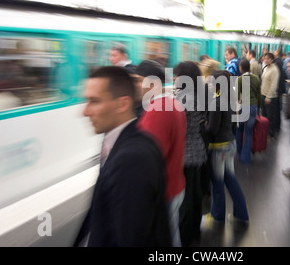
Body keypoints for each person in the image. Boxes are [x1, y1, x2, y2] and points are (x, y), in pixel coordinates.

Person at [74, 66, 171, 247]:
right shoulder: (121, 141)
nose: (85, 111)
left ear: (123, 104)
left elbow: (130, 237)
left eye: (94, 101)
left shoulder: (132, 160)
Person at [135, 60, 187, 247]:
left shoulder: (157, 111)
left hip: (165, 192)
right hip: (175, 184)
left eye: (137, 80)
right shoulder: (171, 103)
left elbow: (148, 163)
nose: (134, 85)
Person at [202, 70, 249, 226]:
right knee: (231, 179)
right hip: (230, 144)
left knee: (217, 183)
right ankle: (241, 214)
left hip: (219, 147)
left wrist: (203, 123)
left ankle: (217, 216)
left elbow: (212, 130)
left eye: (211, 82)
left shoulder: (217, 101)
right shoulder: (229, 98)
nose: (209, 85)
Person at [174, 61, 207, 247]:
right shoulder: (197, 94)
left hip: (186, 152)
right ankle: (194, 230)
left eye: (178, 75)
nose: (175, 79)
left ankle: (184, 235)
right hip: (197, 149)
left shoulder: (183, 98)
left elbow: (178, 125)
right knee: (195, 193)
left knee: (185, 197)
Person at [235, 59, 261, 164]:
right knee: (249, 132)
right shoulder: (256, 79)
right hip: (253, 107)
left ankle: (239, 152)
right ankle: (246, 158)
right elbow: (258, 95)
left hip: (243, 107)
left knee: (239, 130)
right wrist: (258, 109)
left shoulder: (239, 80)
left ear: (241, 68)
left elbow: (237, 97)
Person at [260, 52, 280, 139]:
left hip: (270, 97)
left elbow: (273, 85)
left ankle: (270, 133)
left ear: (272, 60)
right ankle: (264, 131)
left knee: (270, 116)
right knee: (264, 115)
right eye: (265, 58)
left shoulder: (274, 70)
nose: (266, 60)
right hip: (263, 94)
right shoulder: (265, 68)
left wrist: (268, 97)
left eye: (268, 58)